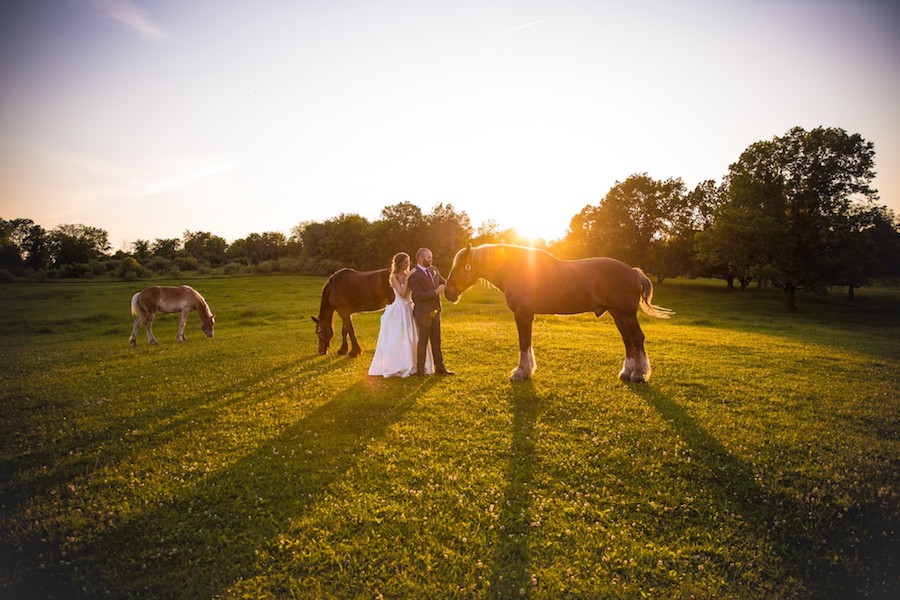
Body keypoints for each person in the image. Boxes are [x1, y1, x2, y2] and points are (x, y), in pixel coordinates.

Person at [368, 252, 433, 378]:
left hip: (410, 308)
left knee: (414, 337)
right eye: (405, 262)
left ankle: (414, 364)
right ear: (399, 263)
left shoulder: (409, 274)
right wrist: (409, 278)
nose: (407, 264)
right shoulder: (393, 276)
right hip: (399, 309)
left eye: (408, 262)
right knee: (398, 337)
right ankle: (398, 365)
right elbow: (402, 293)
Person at [408, 247, 454, 376]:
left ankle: (440, 368)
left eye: (431, 257)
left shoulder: (434, 270)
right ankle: (420, 371)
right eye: (429, 257)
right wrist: (436, 292)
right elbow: (418, 296)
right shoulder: (414, 275)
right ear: (421, 259)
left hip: (435, 311)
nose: (431, 259)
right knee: (423, 342)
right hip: (423, 314)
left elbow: (443, 282)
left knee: (436, 341)